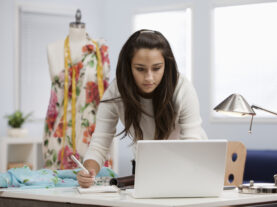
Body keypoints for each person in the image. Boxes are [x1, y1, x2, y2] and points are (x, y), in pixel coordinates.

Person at [77, 29, 207, 188]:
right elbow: (100, 143)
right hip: (145, 168)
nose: (149, 77)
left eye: (157, 68)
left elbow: (192, 145)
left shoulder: (182, 88)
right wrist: (88, 171)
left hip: (188, 167)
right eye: (140, 69)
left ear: (167, 65)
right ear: (128, 67)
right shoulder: (116, 91)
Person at [43, 21, 110, 170]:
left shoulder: (99, 50)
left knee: (94, 184)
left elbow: (107, 92)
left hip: (94, 134)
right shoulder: (54, 48)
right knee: (58, 187)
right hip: (62, 132)